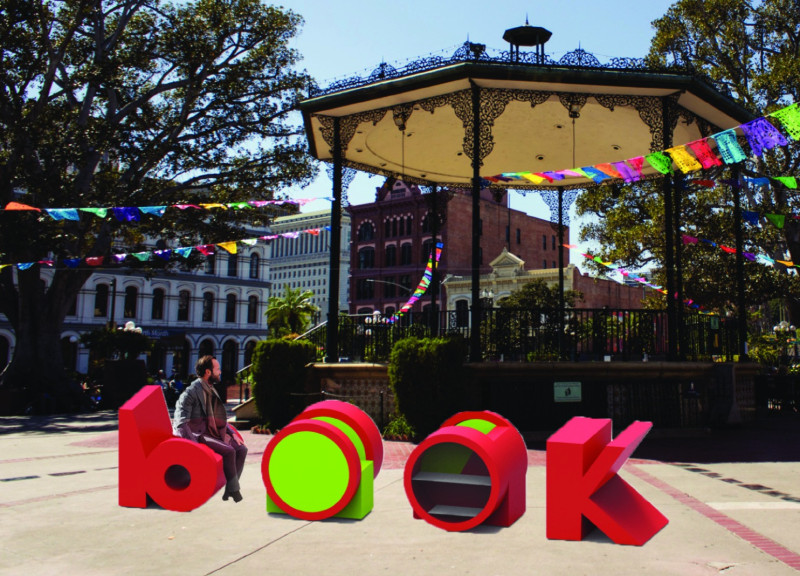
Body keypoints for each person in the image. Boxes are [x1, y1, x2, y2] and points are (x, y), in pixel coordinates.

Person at [172, 355, 248, 502]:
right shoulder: (191, 392)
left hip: (213, 433)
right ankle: (234, 490)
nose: (220, 372)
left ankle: (230, 488)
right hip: (199, 434)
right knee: (229, 451)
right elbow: (180, 421)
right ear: (208, 372)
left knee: (241, 449)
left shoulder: (211, 389)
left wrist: (232, 434)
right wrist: (192, 445)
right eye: (217, 369)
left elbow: (219, 419)